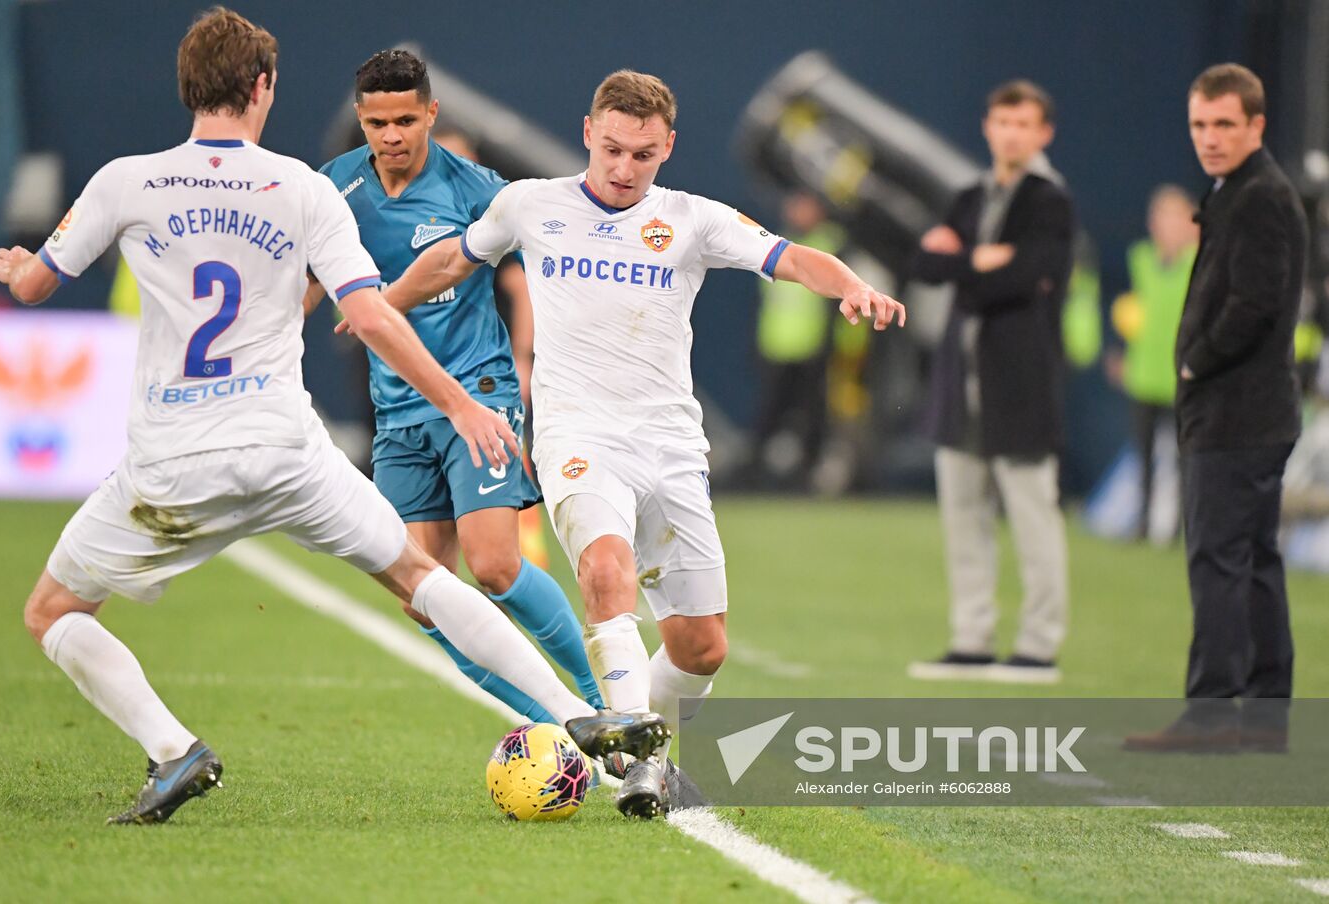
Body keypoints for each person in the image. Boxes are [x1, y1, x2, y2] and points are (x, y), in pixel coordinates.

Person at [0, 8, 665, 825]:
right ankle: (576, 712)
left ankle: (173, 749)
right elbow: (371, 316)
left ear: (186, 86)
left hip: (171, 460)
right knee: (421, 579)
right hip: (286, 451)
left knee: (51, 611)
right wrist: (461, 403)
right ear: (263, 86)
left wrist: (20, 268)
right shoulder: (304, 187)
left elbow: (36, 285)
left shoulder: (127, 179)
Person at [353, 69, 904, 817]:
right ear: (588, 133)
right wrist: (381, 310)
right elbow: (454, 259)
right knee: (604, 568)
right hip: (577, 433)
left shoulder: (693, 219)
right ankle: (635, 762)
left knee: (701, 646)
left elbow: (789, 255)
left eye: (642, 155)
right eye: (611, 149)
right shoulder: (532, 204)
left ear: (667, 147)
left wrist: (849, 287)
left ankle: (640, 733)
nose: (622, 168)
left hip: (671, 444)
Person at [310, 50, 601, 725]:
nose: (392, 136)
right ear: (361, 119)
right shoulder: (333, 189)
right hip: (400, 412)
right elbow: (303, 286)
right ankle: (565, 724)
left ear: (431, 115)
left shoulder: (477, 187)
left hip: (480, 393)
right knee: (424, 597)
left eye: (406, 120)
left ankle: (603, 698)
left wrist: (536, 359)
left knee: (495, 564)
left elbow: (534, 273)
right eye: (378, 122)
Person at [1125, 64, 1307, 753]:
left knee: (1220, 561)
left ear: (1257, 125)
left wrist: (1196, 360)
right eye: (1200, 124)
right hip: (1250, 414)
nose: (1209, 137)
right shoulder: (1239, 188)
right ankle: (1263, 718)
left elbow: (1255, 304)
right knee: (1254, 562)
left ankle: (1210, 715)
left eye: (1224, 124)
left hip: (1237, 414)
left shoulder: (1260, 195)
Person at [907, 80, 1075, 685]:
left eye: (1024, 124)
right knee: (963, 516)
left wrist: (967, 264)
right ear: (987, 127)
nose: (1012, 134)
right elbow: (924, 265)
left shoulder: (1048, 200)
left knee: (1034, 515)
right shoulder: (971, 195)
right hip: (962, 383)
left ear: (1043, 133)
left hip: (1020, 383)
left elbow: (1032, 275)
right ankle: (972, 640)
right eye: (1003, 122)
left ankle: (1038, 646)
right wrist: (980, 260)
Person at [1108, 185, 1199, 541]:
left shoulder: (1200, 261)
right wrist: (1125, 357)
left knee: (1184, 460)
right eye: (1161, 217)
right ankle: (1142, 523)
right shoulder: (1141, 258)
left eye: (1175, 217)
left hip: (1183, 376)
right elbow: (1134, 311)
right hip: (1144, 374)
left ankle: (1179, 528)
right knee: (1143, 456)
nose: (1167, 225)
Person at [745, 191, 848, 491]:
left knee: (814, 420)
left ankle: (807, 481)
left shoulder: (833, 244)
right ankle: (754, 481)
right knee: (767, 419)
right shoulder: (777, 244)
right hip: (776, 347)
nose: (798, 211)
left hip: (813, 349)